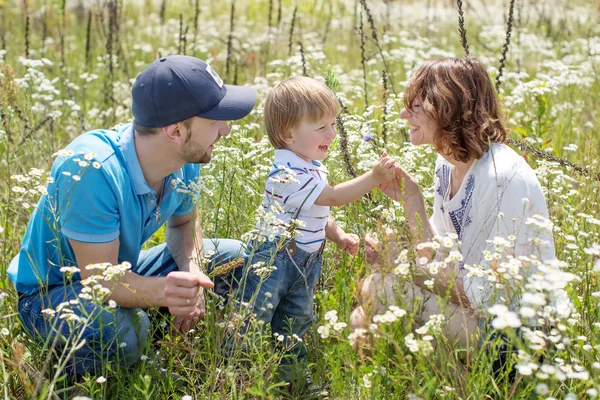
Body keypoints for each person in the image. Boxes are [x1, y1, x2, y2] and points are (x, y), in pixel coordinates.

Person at [8, 55, 257, 377]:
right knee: (125, 327)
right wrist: (168, 293)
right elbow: (99, 281)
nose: (225, 130)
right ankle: (90, 375)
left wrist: (192, 274)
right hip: (51, 295)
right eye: (214, 121)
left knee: (234, 256)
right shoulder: (91, 169)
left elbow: (183, 222)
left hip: (118, 272)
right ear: (176, 130)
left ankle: (172, 349)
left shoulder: (186, 159)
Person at [350, 57, 556, 350]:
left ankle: (480, 391)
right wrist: (412, 200)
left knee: (380, 290)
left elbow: (487, 298)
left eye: (415, 106)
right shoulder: (448, 166)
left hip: (519, 336)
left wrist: (403, 264)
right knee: (363, 321)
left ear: (446, 109)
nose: (403, 114)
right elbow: (437, 256)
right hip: (480, 316)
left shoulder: (503, 177)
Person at [226, 76, 399, 382]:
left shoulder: (311, 166)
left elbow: (317, 210)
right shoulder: (286, 172)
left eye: (333, 124)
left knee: (297, 319)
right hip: (274, 259)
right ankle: (235, 374)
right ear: (287, 134)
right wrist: (373, 177)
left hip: (305, 261)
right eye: (321, 127)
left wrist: (338, 235)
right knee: (255, 316)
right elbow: (331, 197)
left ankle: (291, 378)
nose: (331, 134)